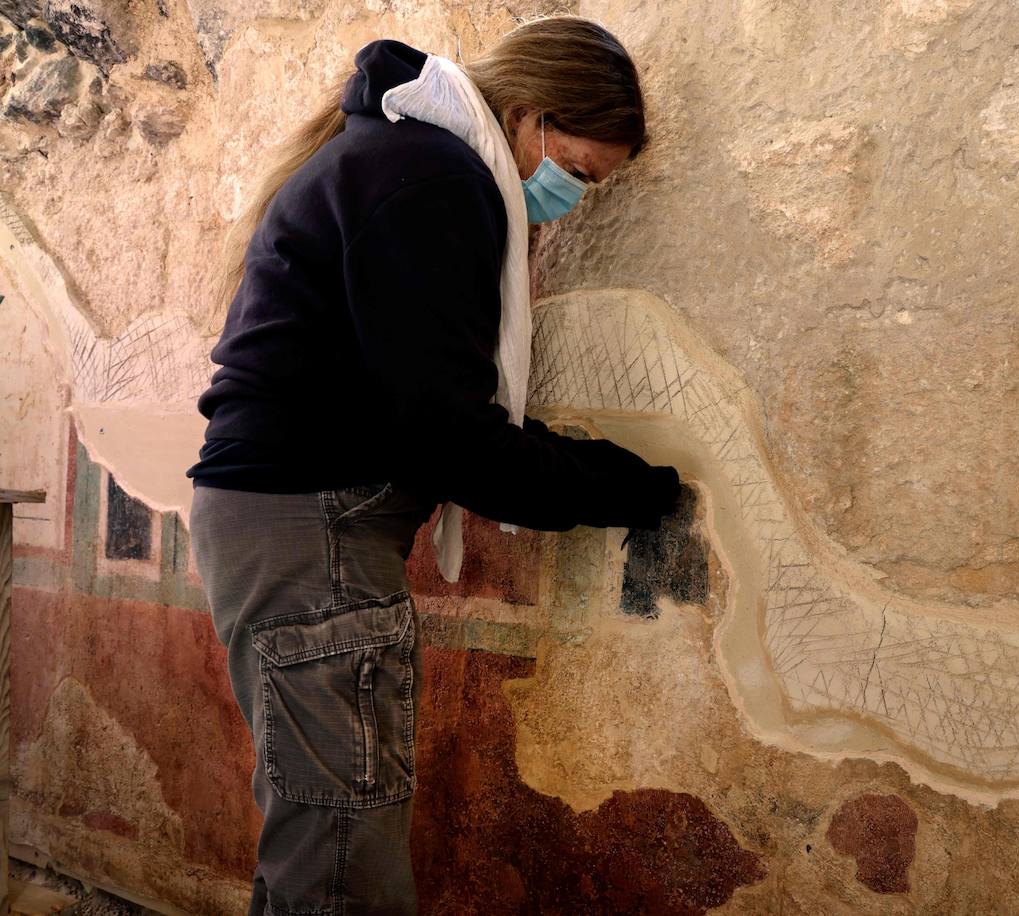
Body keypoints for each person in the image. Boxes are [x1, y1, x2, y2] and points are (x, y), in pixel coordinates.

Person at [186, 18, 681, 915]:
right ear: (528, 116)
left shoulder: (401, 157)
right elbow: (447, 431)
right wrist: (628, 483)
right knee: (342, 857)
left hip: (281, 518)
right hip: (311, 527)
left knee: (319, 834)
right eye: (581, 171)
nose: (576, 198)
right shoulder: (435, 179)